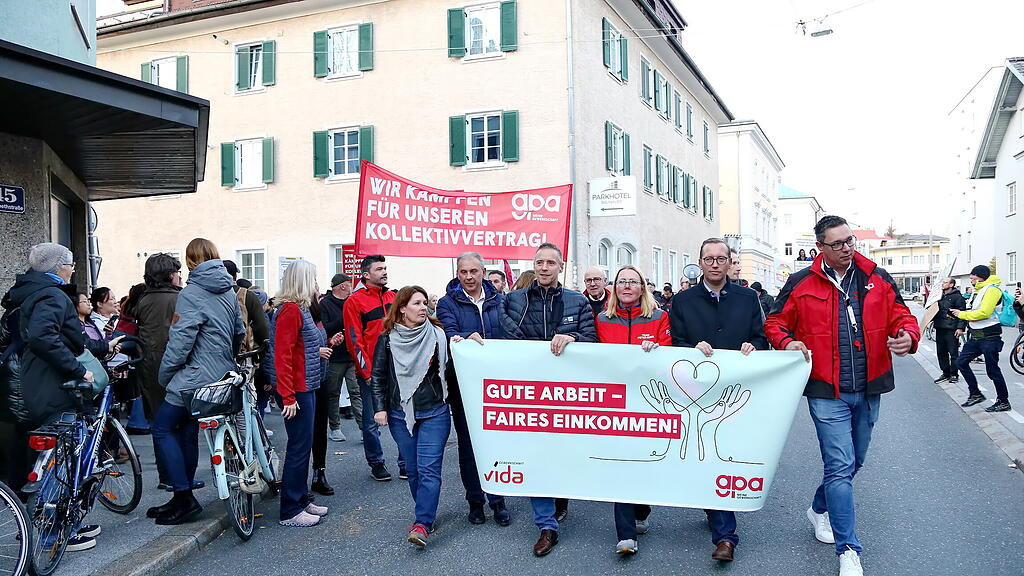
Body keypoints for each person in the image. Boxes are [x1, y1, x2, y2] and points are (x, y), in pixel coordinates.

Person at [764, 215, 918, 576]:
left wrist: (908, 335)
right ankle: (848, 550)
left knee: (854, 463)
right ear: (821, 247)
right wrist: (788, 342)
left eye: (849, 241)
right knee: (839, 466)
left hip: (869, 386)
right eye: (838, 244)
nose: (847, 248)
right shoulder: (800, 283)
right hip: (826, 391)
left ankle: (819, 509)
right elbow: (774, 323)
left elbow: (901, 314)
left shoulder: (876, 276)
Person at [3, 243, 116, 551]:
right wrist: (78, 372)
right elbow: (44, 337)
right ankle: (54, 533)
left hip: (32, 384)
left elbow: (57, 337)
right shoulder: (52, 294)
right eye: (71, 263)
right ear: (57, 267)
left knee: (50, 459)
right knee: (63, 461)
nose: (73, 268)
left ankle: (59, 522)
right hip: (55, 385)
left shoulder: (30, 293)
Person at [669, 238, 768, 564]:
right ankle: (720, 522)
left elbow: (760, 337)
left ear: (729, 262)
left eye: (720, 258)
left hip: (736, 390)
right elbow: (677, 342)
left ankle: (724, 532)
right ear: (700, 261)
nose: (714, 264)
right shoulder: (682, 301)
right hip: (695, 390)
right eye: (708, 258)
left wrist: (753, 347)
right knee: (705, 455)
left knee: (724, 455)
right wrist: (691, 349)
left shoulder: (748, 298)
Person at [500, 242, 597, 557]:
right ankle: (546, 526)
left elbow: (592, 340)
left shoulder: (577, 300)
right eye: (538, 262)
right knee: (535, 454)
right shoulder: (513, 300)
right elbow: (505, 340)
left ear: (560, 266)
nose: (543, 268)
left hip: (568, 396)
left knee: (563, 453)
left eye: (550, 263)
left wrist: (574, 338)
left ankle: (560, 495)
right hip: (529, 395)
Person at [151, 238, 245, 525]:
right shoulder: (229, 289)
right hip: (222, 375)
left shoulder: (191, 293)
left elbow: (180, 343)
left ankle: (183, 496)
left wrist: (165, 375)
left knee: (162, 427)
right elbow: (239, 331)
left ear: (191, 261)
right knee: (188, 429)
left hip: (194, 375)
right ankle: (183, 495)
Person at [594, 265, 670, 556]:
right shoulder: (602, 319)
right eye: (622, 281)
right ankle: (625, 535)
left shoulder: (660, 317)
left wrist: (657, 349)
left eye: (633, 282)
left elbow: (669, 352)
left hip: (650, 401)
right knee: (621, 464)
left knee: (645, 462)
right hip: (615, 403)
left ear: (642, 288)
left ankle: (642, 507)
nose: (627, 286)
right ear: (615, 287)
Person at [371, 286, 454, 547]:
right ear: (402, 308)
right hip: (399, 413)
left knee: (429, 469)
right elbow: (378, 376)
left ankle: (422, 523)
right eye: (416, 303)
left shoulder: (439, 336)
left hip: (435, 412)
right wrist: (380, 407)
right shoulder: (387, 339)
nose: (423, 308)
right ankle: (426, 512)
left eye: (424, 303)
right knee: (413, 469)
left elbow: (452, 368)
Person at [435, 252, 510, 527]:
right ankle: (475, 501)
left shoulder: (499, 300)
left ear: (482, 272)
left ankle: (498, 500)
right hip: (462, 383)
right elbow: (448, 334)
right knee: (468, 445)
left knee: (496, 443)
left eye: (474, 271)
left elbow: (509, 334)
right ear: (458, 273)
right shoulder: (446, 303)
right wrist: (466, 338)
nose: (468, 277)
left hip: (496, 384)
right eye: (463, 272)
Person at [268, 260, 330, 527]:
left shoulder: (299, 310)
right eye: (313, 278)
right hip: (298, 389)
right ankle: (291, 509)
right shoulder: (291, 311)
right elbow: (282, 356)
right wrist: (289, 396)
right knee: (298, 448)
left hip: (306, 386)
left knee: (303, 447)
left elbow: (297, 351)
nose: (317, 283)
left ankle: (301, 499)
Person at [344, 255, 403, 481]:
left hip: (397, 369)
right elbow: (354, 339)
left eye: (385, 268)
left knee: (401, 417)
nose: (385, 272)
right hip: (370, 372)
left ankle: (405, 461)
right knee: (371, 422)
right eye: (379, 269)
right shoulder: (355, 301)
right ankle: (376, 463)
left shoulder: (394, 297)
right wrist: (367, 372)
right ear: (366, 274)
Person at [309, 273, 354, 498]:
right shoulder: (316, 307)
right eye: (314, 285)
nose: (318, 289)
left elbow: (318, 337)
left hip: (336, 363)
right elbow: (286, 350)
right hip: (319, 371)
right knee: (332, 397)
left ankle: (319, 474)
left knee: (354, 394)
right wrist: (320, 348)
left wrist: (328, 342)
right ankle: (335, 427)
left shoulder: (313, 310)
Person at [951, 265, 1012, 412]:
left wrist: (961, 314)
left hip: (990, 336)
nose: (970, 278)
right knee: (961, 362)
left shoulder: (992, 290)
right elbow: (973, 309)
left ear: (980, 276)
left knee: (993, 370)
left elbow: (984, 312)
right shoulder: (978, 290)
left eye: (972, 276)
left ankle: (1003, 401)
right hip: (977, 336)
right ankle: (975, 394)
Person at [933, 278, 967, 384]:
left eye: (945, 283)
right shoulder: (939, 296)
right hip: (940, 327)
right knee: (941, 352)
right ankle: (945, 372)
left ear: (951, 285)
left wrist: (960, 328)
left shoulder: (958, 297)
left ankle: (954, 374)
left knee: (953, 352)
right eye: (942, 282)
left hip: (952, 328)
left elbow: (962, 313)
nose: (943, 284)